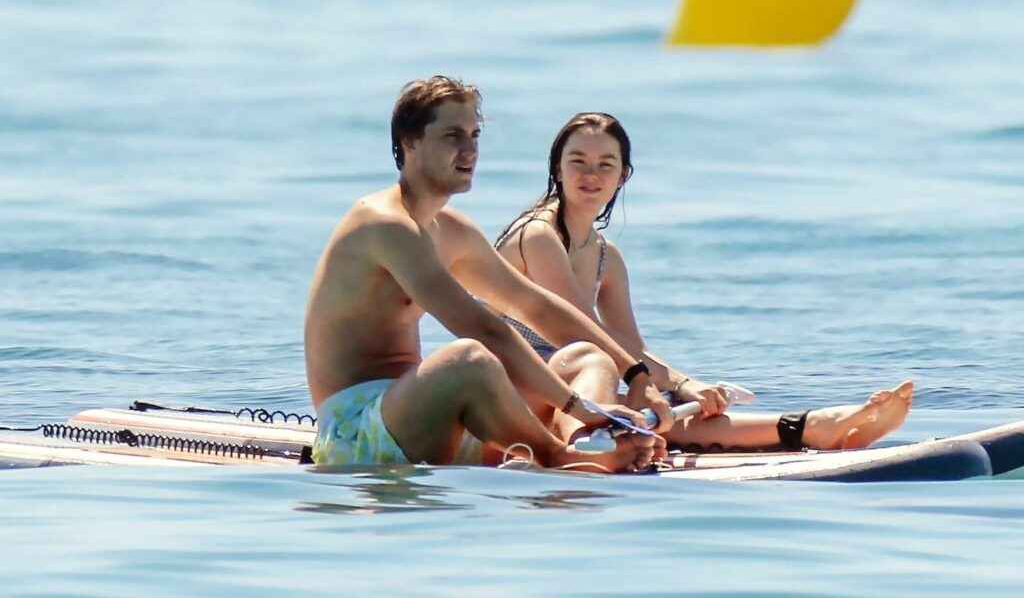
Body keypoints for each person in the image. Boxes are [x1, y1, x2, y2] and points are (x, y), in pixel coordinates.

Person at [305, 77, 676, 474]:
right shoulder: (385, 225)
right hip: (357, 433)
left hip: (426, 422)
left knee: (587, 357)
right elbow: (483, 328)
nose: (469, 151)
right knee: (468, 357)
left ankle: (588, 445)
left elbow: (535, 305)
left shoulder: (451, 230)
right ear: (410, 142)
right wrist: (576, 404)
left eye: (474, 136)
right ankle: (558, 455)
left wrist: (636, 374)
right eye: (452, 136)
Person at [495, 112, 914, 452]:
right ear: (557, 168)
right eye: (578, 161)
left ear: (623, 175)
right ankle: (815, 428)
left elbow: (631, 346)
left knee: (671, 409)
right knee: (631, 399)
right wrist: (653, 384)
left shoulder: (608, 259)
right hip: (515, 392)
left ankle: (807, 426)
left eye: (606, 164)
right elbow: (580, 329)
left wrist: (686, 385)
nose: (592, 174)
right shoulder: (538, 236)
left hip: (575, 389)